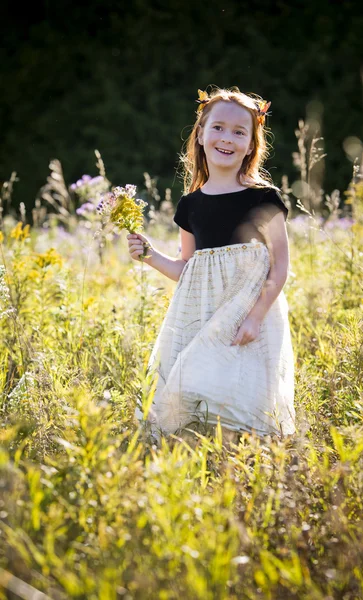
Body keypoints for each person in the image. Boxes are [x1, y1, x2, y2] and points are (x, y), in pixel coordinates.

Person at [127, 86, 296, 446]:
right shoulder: (190, 205)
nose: (227, 138)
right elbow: (187, 269)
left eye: (239, 132)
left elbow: (280, 267)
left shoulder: (263, 199)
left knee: (245, 391)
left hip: (250, 314)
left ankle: (245, 466)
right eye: (218, 128)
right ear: (201, 134)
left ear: (251, 144)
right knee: (194, 380)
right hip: (202, 312)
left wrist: (255, 316)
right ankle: (197, 456)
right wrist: (150, 255)